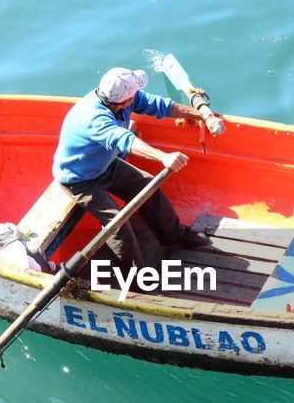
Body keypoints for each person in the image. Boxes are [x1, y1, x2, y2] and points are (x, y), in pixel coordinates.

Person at [53, 67, 216, 268]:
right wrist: (162, 157)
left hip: (105, 164)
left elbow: (161, 106)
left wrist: (202, 116)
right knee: (118, 225)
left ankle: (173, 235)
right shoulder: (93, 118)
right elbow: (124, 140)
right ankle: (136, 279)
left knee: (149, 186)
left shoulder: (123, 100)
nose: (137, 96)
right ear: (125, 101)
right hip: (79, 179)